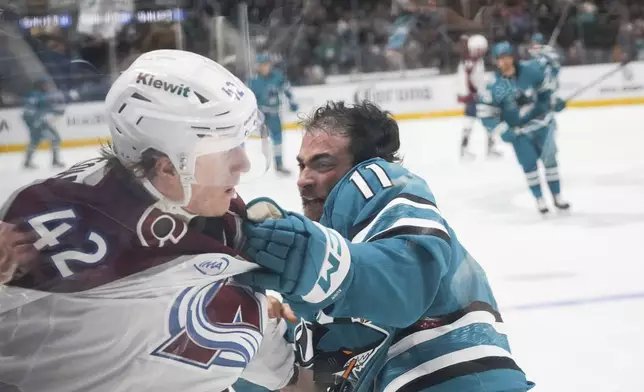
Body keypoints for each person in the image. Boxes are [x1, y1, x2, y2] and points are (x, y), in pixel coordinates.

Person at [0, 50, 296, 392]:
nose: (243, 163)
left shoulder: (223, 223)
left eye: (241, 142)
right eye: (223, 148)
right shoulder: (45, 232)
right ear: (168, 165)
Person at [236, 101, 535, 392]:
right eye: (302, 166)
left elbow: (406, 283)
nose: (303, 180)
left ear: (365, 162)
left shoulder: (376, 181)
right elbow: (318, 375)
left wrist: (312, 262)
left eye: (323, 163)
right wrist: (257, 335)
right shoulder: (333, 256)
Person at [477, 41, 570, 215]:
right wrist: (502, 130)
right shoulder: (496, 85)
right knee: (529, 165)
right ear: (496, 61)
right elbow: (486, 113)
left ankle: (557, 197)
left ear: (513, 57)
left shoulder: (530, 72)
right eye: (500, 59)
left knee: (550, 161)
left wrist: (554, 102)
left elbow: (545, 92)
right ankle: (540, 200)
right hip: (519, 132)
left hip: (542, 125)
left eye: (507, 57)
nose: (504, 62)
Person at [248, 53, 299, 175]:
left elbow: (286, 89)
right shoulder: (253, 81)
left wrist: (292, 102)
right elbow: (248, 97)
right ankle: (241, 165)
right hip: (259, 115)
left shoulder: (278, 77)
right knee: (246, 139)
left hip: (274, 114)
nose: (264, 67)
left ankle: (279, 163)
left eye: (266, 64)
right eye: (261, 65)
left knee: (278, 139)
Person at [456, 34, 502, 159]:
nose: (483, 51)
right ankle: (490, 149)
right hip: (474, 96)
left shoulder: (471, 60)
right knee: (488, 119)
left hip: (472, 96)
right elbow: (470, 80)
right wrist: (477, 94)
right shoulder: (473, 61)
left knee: (469, 122)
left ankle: (465, 150)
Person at [21, 78, 66, 169]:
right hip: (38, 121)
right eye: (45, 84)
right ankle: (55, 161)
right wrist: (55, 111)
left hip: (37, 121)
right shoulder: (37, 95)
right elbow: (39, 108)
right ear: (40, 85)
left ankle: (27, 161)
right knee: (55, 138)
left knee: (35, 140)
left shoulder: (36, 94)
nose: (47, 86)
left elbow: (37, 109)